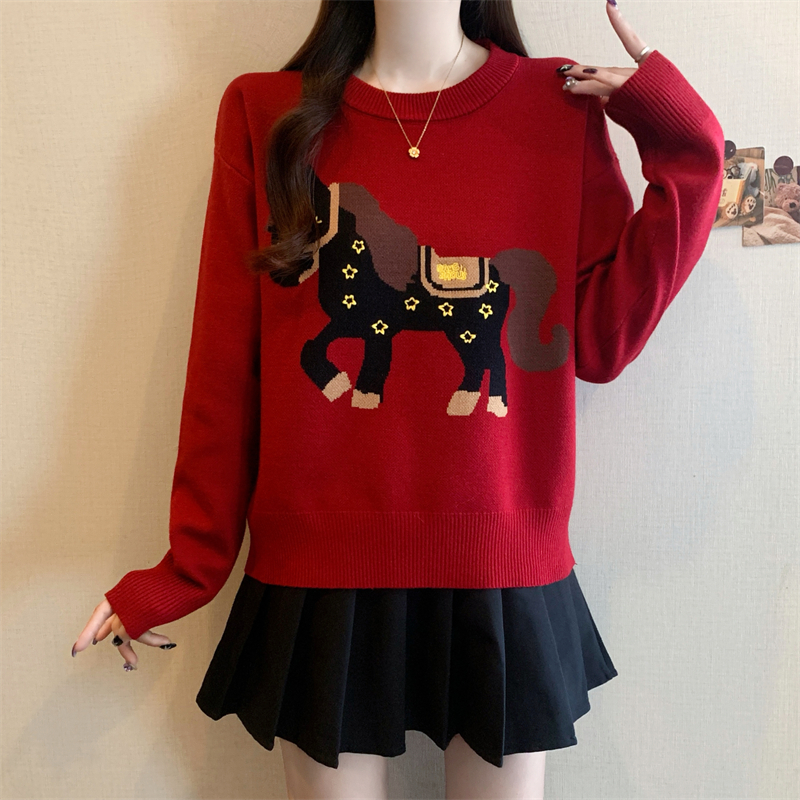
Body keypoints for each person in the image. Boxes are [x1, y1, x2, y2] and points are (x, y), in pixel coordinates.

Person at [73, 1, 725, 797]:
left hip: (501, 569)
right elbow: (223, 364)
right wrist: (185, 569)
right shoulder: (265, 113)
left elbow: (599, 343)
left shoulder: (556, 108)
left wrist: (680, 137)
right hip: (316, 576)